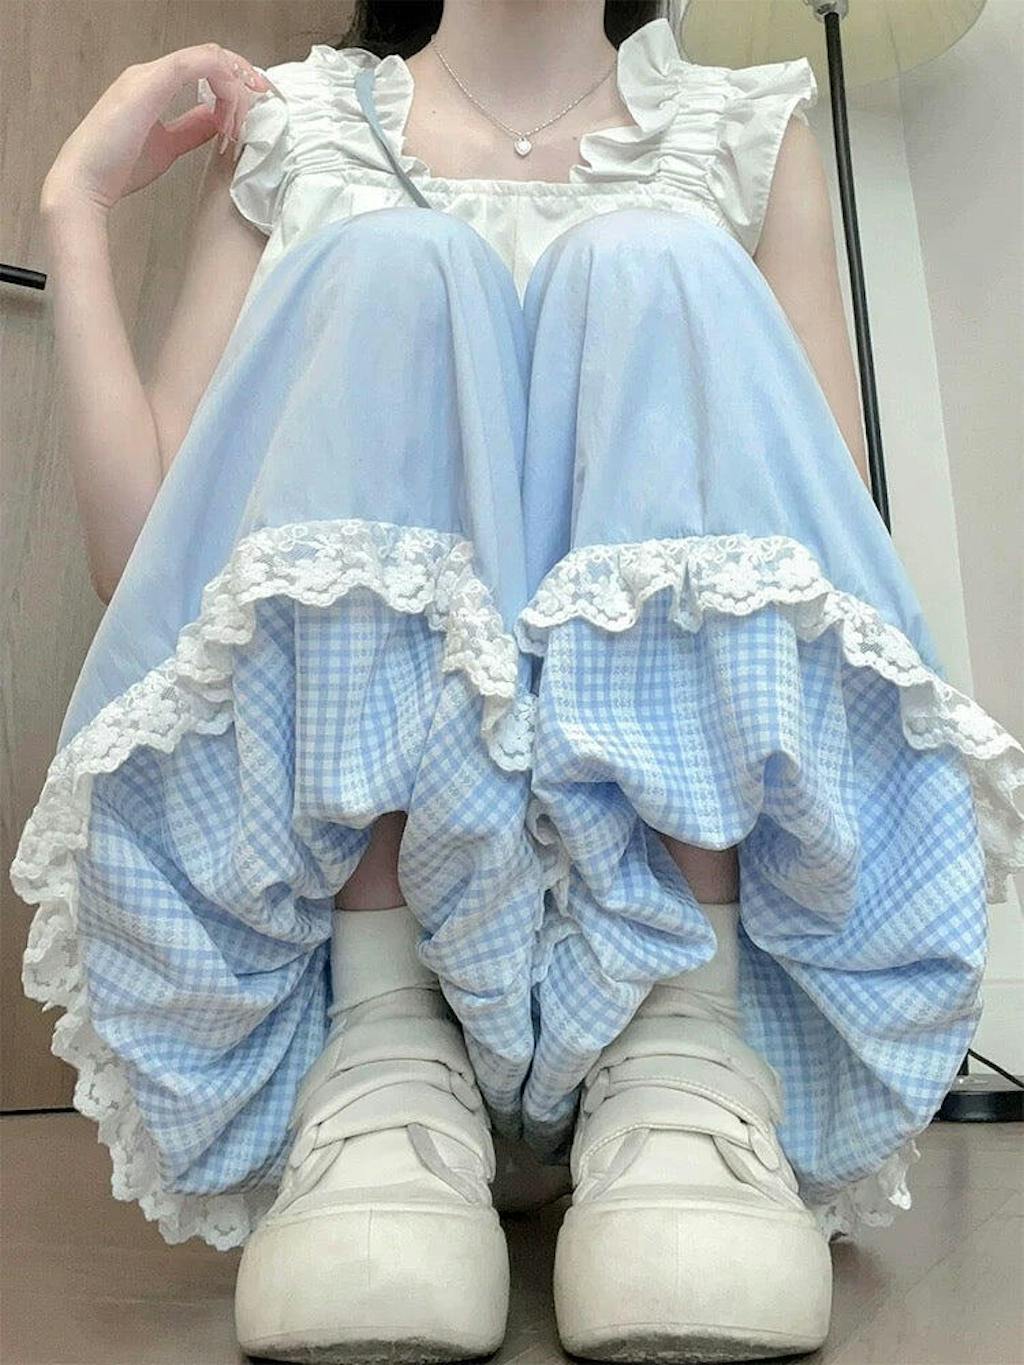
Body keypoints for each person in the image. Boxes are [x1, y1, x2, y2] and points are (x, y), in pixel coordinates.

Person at [13, 0, 1023, 1360]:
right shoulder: (297, 130)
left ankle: (680, 1042)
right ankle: (388, 1042)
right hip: (362, 975)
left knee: (652, 265)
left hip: (689, 957)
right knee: (398, 268)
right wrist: (74, 212)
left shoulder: (742, 131)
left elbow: (823, 577)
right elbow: (151, 571)